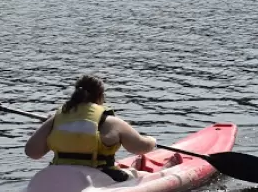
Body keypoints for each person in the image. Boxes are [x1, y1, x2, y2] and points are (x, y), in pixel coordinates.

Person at [24, 75, 158, 182]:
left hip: (57, 174)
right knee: (143, 177)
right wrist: (152, 140)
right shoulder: (112, 122)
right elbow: (140, 148)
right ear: (100, 96)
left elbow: (32, 152)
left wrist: (50, 122)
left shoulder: (56, 119)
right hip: (99, 177)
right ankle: (169, 166)